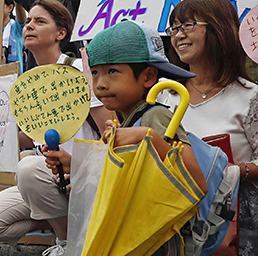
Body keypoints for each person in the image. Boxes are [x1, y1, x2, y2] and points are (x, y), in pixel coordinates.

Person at [0, 0, 107, 255]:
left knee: (29, 165)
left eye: (40, 21)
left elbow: (109, 131)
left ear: (61, 34)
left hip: (87, 177)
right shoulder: (26, 82)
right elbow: (30, 138)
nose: (29, 25)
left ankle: (65, 244)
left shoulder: (81, 70)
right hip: (48, 181)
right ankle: (62, 223)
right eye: (29, 21)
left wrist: (78, 162)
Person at [86, 20, 208, 255]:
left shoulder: (156, 117)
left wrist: (148, 136)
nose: (100, 84)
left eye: (112, 71)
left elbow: (196, 181)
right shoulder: (127, 120)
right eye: (95, 73)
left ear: (149, 77)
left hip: (161, 240)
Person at [161, 0, 258, 253]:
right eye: (174, 28)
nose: (178, 35)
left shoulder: (250, 95)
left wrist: (233, 172)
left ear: (218, 28)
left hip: (235, 227)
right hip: (175, 222)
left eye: (188, 25)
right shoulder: (165, 95)